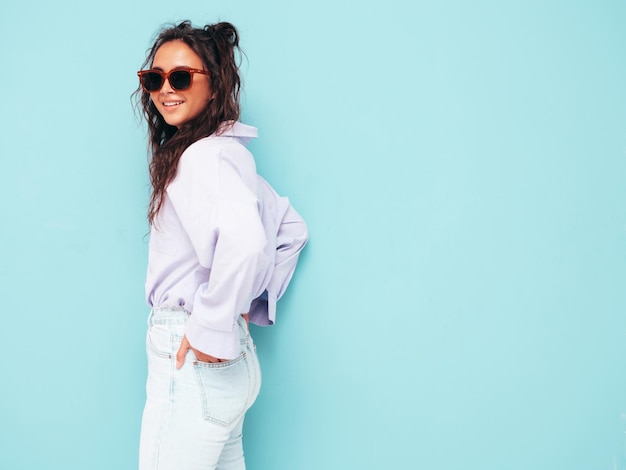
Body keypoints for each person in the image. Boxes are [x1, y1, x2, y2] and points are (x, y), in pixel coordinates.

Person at [134, 20, 308, 470]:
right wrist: (238, 307)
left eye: (181, 76)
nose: (165, 90)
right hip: (232, 365)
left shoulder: (202, 157)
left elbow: (249, 241)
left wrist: (211, 321)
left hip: (193, 359)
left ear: (214, 86)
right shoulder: (228, 154)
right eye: (154, 79)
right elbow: (289, 229)